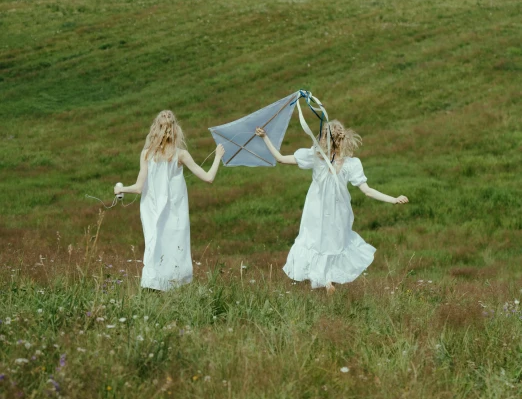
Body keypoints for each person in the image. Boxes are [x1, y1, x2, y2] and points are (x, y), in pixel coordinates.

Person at [255, 121, 408, 295]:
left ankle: (325, 281)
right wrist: (393, 199)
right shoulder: (351, 163)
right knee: (334, 244)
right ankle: (327, 282)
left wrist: (265, 137)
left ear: (324, 139)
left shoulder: (315, 156)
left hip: (316, 210)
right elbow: (367, 191)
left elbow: (280, 158)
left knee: (315, 243)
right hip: (339, 211)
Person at [115, 110, 224, 291]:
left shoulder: (147, 154)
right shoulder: (180, 155)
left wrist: (121, 189)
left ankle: (154, 288)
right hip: (174, 211)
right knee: (175, 247)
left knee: (155, 245)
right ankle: (173, 288)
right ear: (175, 129)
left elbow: (139, 187)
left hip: (154, 209)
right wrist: (218, 156)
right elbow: (208, 178)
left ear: (156, 128)